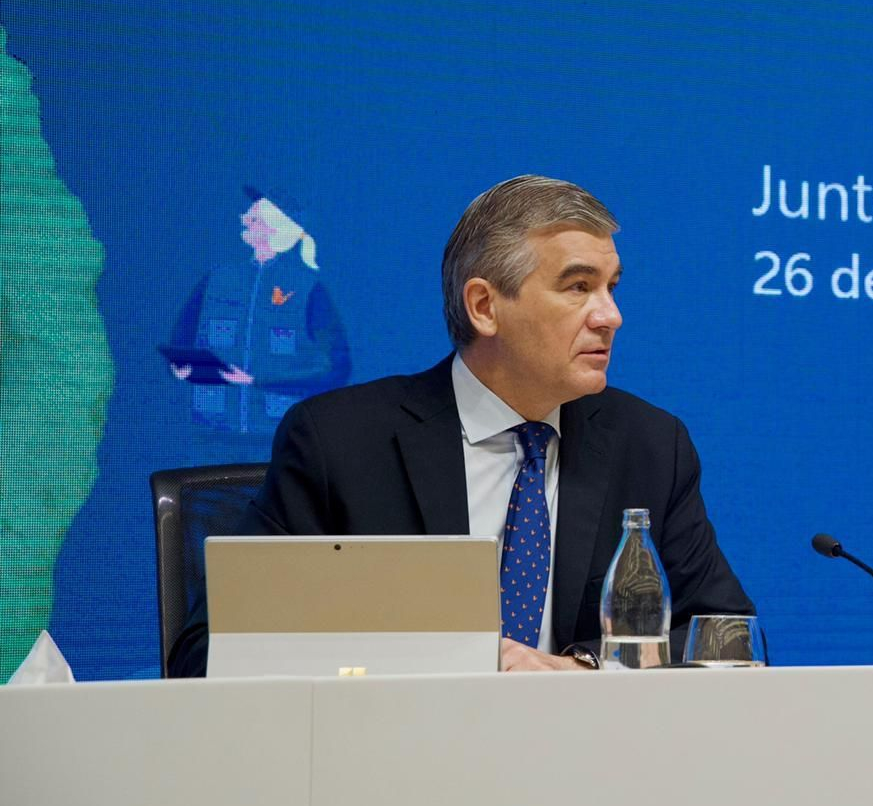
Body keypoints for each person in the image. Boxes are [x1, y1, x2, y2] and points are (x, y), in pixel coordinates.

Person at [167, 175, 752, 675]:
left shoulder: (648, 445)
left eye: (611, 288)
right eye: (578, 288)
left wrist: (582, 668)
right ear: (484, 306)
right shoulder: (341, 443)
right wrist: (448, 665)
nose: (611, 316)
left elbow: (729, 641)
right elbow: (209, 650)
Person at [167, 187, 351, 465]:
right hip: (210, 438)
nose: (244, 220)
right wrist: (179, 366)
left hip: (279, 442)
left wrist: (258, 379)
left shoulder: (307, 288)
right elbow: (181, 338)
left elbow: (335, 367)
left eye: (254, 218)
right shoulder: (217, 279)